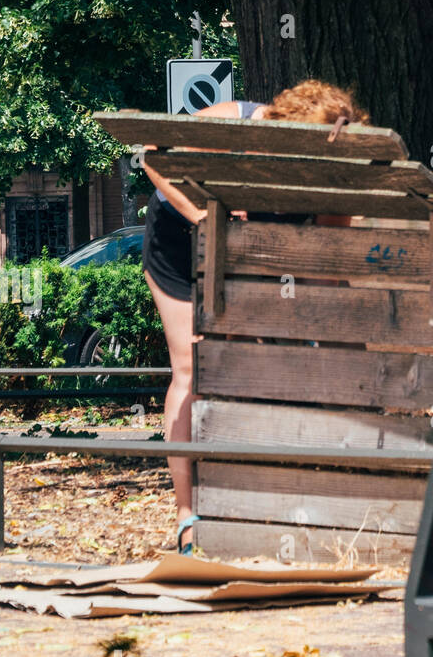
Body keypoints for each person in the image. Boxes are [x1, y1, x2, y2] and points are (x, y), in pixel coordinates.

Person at [140, 79, 369, 553]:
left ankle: (268, 502)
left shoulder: (330, 167)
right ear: (287, 130)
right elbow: (152, 151)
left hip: (252, 249)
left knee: (260, 368)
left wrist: (342, 346)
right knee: (192, 368)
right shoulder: (236, 120)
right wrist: (201, 214)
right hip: (179, 244)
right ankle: (188, 518)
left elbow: (327, 269)